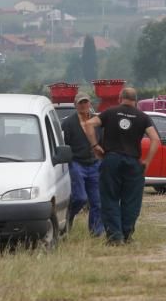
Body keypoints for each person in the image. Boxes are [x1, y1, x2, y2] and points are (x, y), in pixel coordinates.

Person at [84, 87, 160, 245]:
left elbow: (88, 124)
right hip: (133, 162)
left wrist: (95, 146)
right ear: (136, 101)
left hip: (111, 159)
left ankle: (115, 237)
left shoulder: (110, 112)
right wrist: (147, 161)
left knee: (109, 198)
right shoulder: (142, 116)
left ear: (120, 98)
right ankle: (127, 235)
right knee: (131, 200)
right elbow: (155, 140)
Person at [60, 93, 105, 236]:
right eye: (80, 103)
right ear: (75, 105)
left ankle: (96, 231)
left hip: (94, 164)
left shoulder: (96, 121)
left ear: (90, 103)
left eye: (86, 102)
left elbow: (102, 140)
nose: (84, 105)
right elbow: (63, 144)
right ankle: (67, 219)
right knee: (80, 198)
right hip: (76, 163)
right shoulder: (68, 123)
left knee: (97, 202)